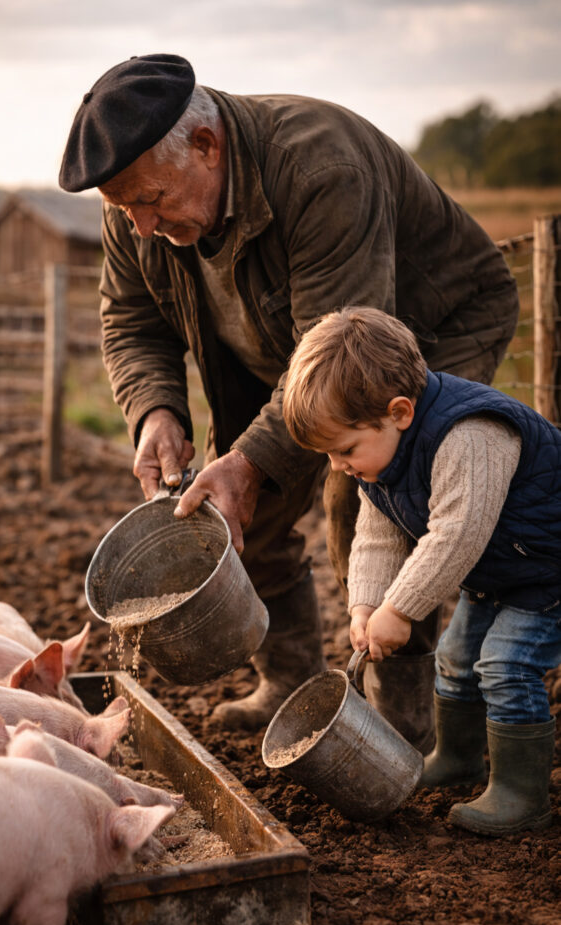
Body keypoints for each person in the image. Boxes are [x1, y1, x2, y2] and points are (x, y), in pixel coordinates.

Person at [58, 53, 519, 738]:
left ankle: (400, 714)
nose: (141, 226)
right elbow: (129, 317)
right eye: (125, 209)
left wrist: (248, 458)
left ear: (207, 147)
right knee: (233, 506)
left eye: (151, 202)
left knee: (370, 490)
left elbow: (344, 370)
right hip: (279, 346)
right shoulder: (138, 203)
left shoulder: (322, 171)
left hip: (423, 328)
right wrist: (155, 410)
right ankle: (290, 679)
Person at [282, 306, 559, 835]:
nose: (339, 466)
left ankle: (522, 793)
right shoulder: (382, 455)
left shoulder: (471, 434)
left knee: (505, 665)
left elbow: (457, 533)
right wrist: (366, 603)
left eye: (344, 450)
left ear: (401, 412)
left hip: (549, 569)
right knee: (455, 660)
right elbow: (378, 535)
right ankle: (457, 759)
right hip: (503, 570)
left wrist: (401, 608)